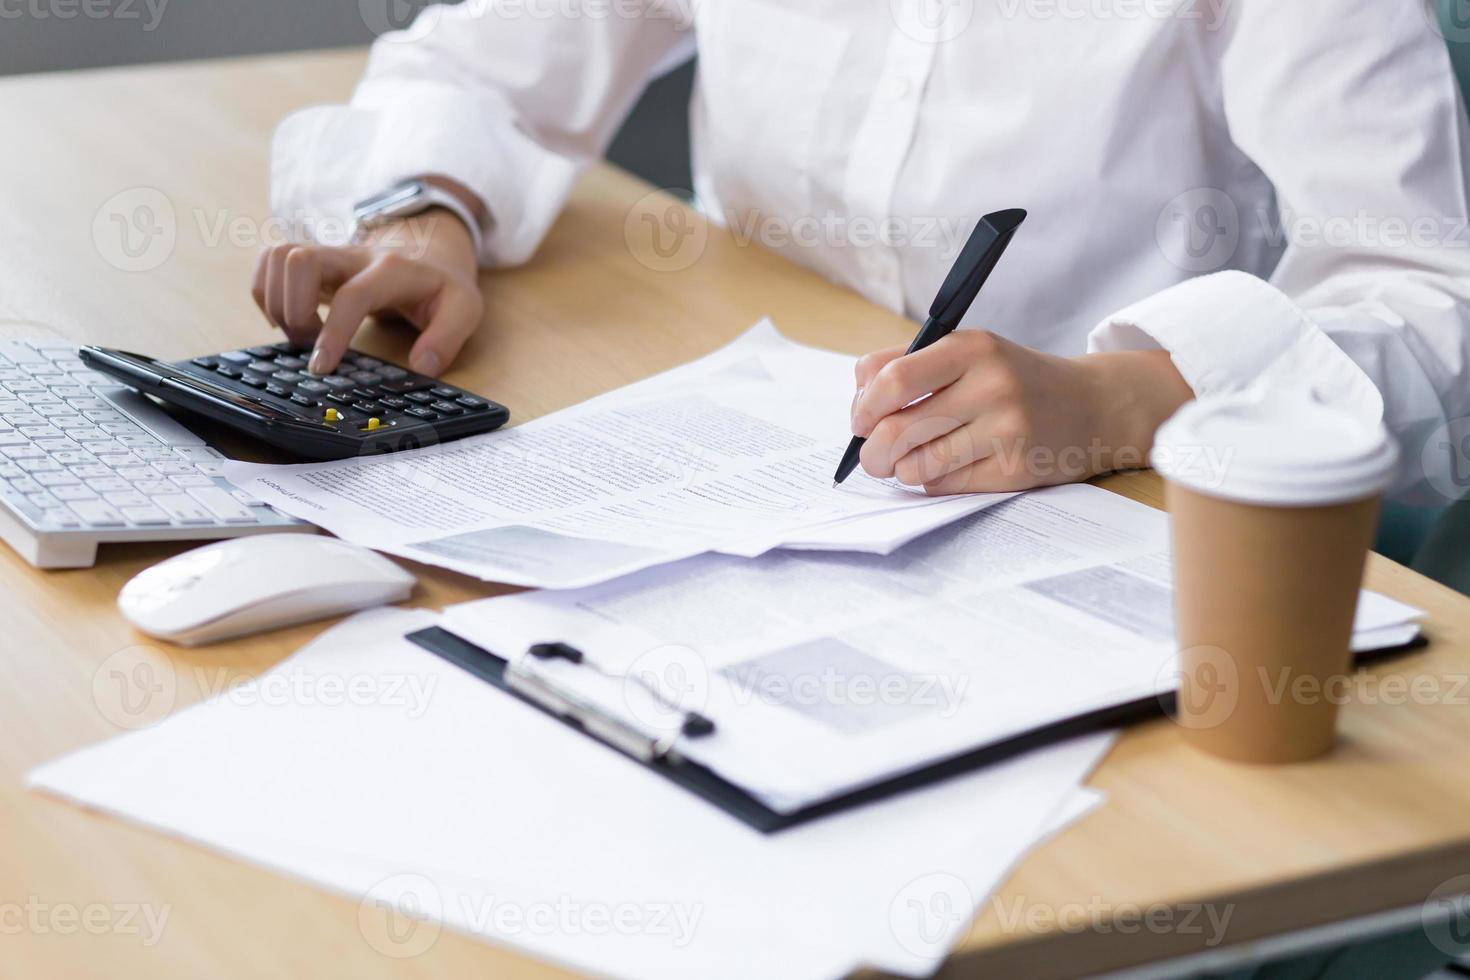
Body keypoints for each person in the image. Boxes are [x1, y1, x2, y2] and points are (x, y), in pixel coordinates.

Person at [256, 1, 1470, 498]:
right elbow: (474, 58)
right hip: (740, 476)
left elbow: (1437, 296)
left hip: (1110, 519)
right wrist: (425, 209)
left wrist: (1127, 398)